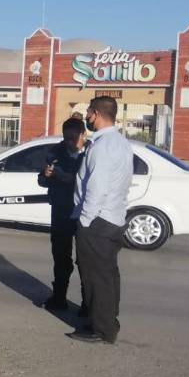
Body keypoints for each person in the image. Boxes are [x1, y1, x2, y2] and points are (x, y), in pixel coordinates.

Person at [68, 96, 132, 344]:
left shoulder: (103, 146)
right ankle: (107, 321)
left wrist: (84, 221)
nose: (86, 117)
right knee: (107, 276)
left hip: (97, 221)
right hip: (112, 218)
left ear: (96, 114)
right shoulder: (120, 142)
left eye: (88, 113)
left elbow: (96, 188)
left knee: (97, 278)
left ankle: (102, 329)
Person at [37, 117, 86, 312]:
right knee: (60, 257)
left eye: (73, 138)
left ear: (83, 135)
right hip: (61, 210)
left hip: (84, 212)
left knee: (84, 261)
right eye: (66, 138)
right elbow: (42, 180)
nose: (70, 142)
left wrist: (58, 174)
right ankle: (59, 297)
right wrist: (46, 175)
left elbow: (78, 181)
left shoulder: (91, 153)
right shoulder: (55, 152)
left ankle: (88, 304)